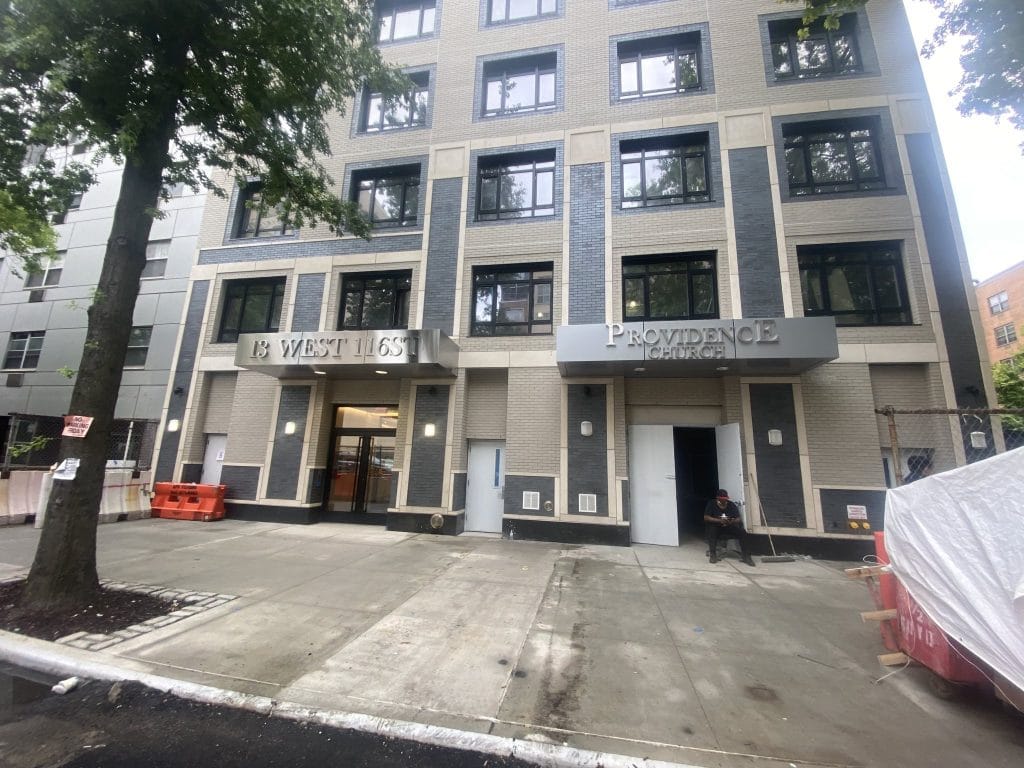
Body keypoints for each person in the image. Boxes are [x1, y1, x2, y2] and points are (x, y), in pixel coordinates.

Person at [704, 489, 755, 566]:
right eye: (723, 499)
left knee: (742, 532)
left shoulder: (731, 505)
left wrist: (731, 521)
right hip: (716, 526)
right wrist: (719, 520)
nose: (725, 501)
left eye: (726, 499)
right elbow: (706, 517)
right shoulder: (712, 504)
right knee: (712, 531)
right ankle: (713, 554)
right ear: (718, 498)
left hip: (729, 525)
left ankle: (746, 556)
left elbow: (738, 518)